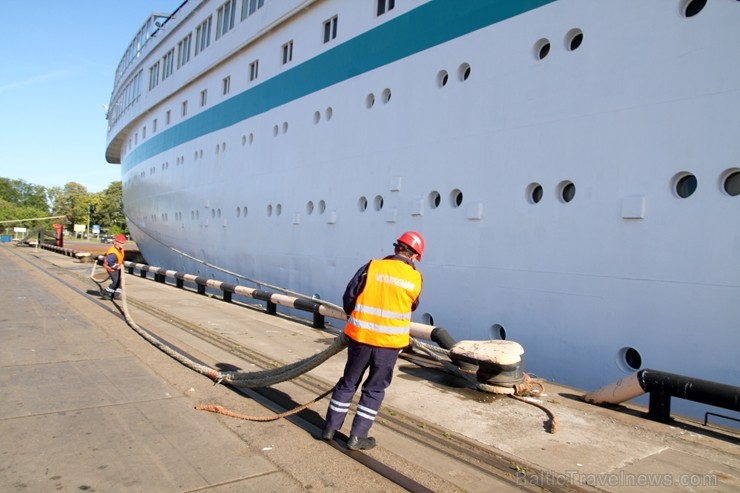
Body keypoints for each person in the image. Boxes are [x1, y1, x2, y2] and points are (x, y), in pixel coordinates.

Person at [323, 231, 425, 450]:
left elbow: (350, 296)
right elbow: (413, 304)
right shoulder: (415, 278)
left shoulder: (372, 267)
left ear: (396, 248)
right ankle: (357, 437)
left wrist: (355, 317)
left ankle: (330, 429)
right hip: (389, 345)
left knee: (348, 383)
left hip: (361, 338)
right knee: (375, 389)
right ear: (415, 256)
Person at [102, 234, 127, 299]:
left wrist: (122, 263)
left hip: (117, 267)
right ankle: (105, 292)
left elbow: (120, 257)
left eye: (123, 243)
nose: (122, 244)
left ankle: (116, 295)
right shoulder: (113, 253)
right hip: (111, 268)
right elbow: (110, 263)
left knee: (120, 281)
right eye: (121, 243)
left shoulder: (120, 249)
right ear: (116, 242)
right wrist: (116, 267)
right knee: (116, 281)